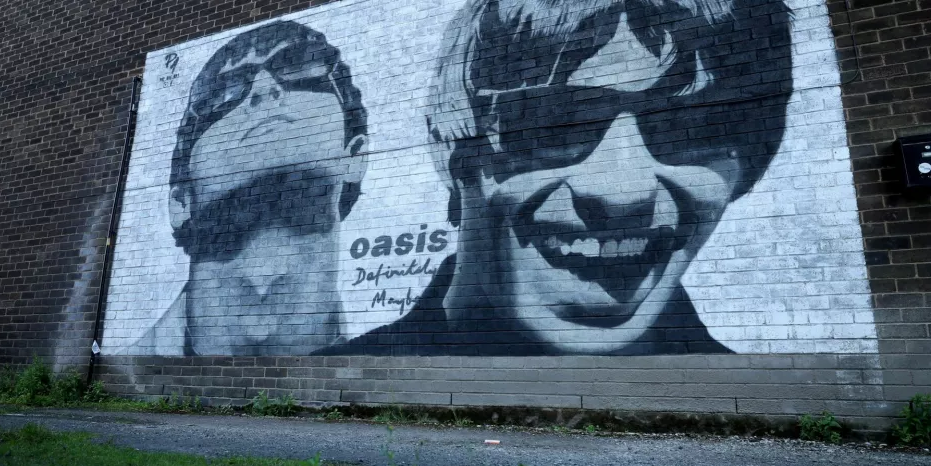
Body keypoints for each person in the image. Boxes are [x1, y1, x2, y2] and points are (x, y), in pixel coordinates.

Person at [339, 0, 793, 355]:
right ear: (454, 152)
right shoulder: (344, 377)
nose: (622, 190)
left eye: (692, 128)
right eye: (554, 123)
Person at [128, 19, 368, 356]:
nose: (264, 88)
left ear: (355, 156)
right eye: (225, 92)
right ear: (181, 201)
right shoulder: (132, 367)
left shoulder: (392, 355)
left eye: (300, 68)